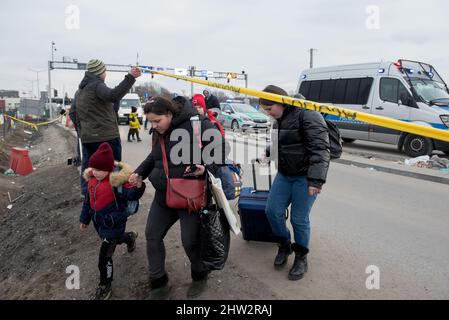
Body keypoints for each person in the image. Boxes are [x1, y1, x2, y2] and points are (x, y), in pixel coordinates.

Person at [128, 96, 224, 300]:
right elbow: (154, 157)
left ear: (170, 114)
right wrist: (139, 173)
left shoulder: (198, 124)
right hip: (164, 195)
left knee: (190, 241)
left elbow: (219, 152)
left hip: (191, 196)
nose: (153, 126)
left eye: (157, 121)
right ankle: (158, 282)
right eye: (151, 122)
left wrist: (205, 168)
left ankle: (199, 276)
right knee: (152, 236)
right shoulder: (160, 131)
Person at [259, 85, 330, 281]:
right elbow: (278, 143)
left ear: (281, 102)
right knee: (272, 211)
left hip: (305, 177)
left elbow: (321, 149)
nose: (268, 113)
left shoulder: (307, 114)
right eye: (265, 110)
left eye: (269, 108)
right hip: (284, 174)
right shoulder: (278, 120)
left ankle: (301, 257)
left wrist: (316, 180)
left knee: (299, 219)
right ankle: (284, 246)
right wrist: (267, 153)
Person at [79, 142, 146, 299]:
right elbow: (88, 203)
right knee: (114, 240)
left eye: (100, 170)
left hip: (114, 222)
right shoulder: (91, 181)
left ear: (109, 169)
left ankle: (105, 285)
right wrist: (85, 219)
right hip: (100, 224)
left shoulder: (116, 183)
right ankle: (130, 237)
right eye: (94, 169)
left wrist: (139, 186)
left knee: (105, 257)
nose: (96, 173)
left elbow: (132, 195)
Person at [75, 59, 141, 196]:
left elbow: (73, 112)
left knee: (89, 168)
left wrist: (81, 132)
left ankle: (89, 194)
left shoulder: (80, 90)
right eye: (104, 71)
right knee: (114, 168)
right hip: (106, 137)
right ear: (100, 72)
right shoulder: (96, 85)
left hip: (88, 138)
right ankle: (115, 196)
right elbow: (113, 95)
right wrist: (131, 77)